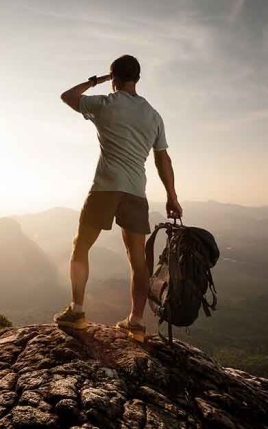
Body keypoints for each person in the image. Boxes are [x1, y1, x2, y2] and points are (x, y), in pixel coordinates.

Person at [53, 54, 182, 343]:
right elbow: (164, 160)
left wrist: (95, 81)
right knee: (138, 261)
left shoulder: (105, 104)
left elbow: (67, 96)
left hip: (105, 188)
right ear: (137, 78)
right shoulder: (153, 115)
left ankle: (77, 312)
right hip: (136, 191)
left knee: (81, 246)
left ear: (114, 77)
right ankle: (136, 323)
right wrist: (172, 197)